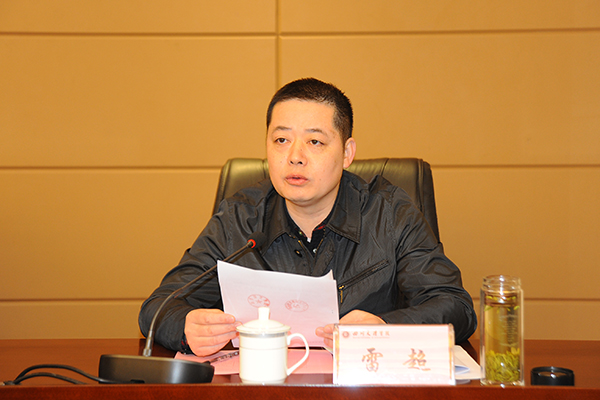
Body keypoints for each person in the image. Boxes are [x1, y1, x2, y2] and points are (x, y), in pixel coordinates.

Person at [139, 78, 477, 356]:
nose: (295, 156)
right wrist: (185, 326)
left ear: (347, 153)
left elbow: (455, 307)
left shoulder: (390, 214)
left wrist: (386, 329)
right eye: (281, 139)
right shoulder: (240, 217)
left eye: (315, 141)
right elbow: (158, 307)